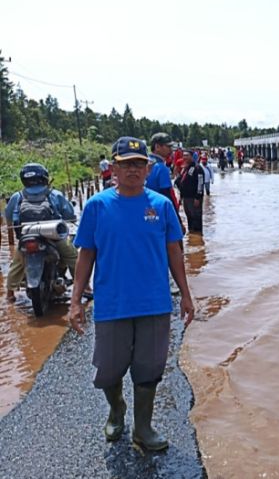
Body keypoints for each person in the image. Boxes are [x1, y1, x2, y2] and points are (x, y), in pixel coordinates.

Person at [68, 136, 194, 451]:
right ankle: (116, 409)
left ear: (149, 168)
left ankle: (143, 427)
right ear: (114, 168)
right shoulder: (98, 206)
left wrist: (186, 294)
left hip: (154, 302)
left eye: (139, 164)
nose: (134, 170)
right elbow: (86, 254)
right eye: (126, 164)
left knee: (149, 367)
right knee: (109, 368)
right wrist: (75, 301)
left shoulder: (161, 206)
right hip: (112, 303)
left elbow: (174, 253)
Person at [4, 163, 88, 302]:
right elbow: (69, 214)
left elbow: (8, 215)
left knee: (17, 262)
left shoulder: (17, 196)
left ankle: (9, 293)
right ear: (44, 177)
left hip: (27, 236)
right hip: (54, 236)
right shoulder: (54, 194)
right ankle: (85, 287)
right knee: (73, 256)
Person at [146, 132, 185, 235]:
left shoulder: (144, 164)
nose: (171, 150)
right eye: (168, 147)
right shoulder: (161, 168)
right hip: (158, 213)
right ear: (157, 147)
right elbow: (168, 196)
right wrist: (178, 221)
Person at [175, 150, 205, 234]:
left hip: (194, 198)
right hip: (186, 197)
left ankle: (198, 237)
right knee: (189, 218)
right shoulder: (185, 168)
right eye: (183, 155)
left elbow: (200, 183)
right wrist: (180, 197)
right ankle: (192, 237)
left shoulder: (197, 168)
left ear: (192, 157)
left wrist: (198, 197)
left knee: (196, 218)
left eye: (187, 155)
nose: (184, 157)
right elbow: (181, 182)